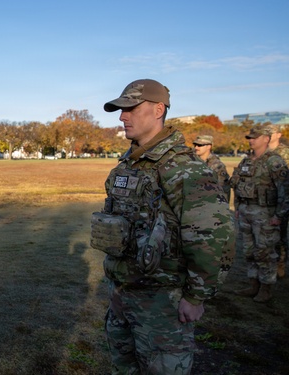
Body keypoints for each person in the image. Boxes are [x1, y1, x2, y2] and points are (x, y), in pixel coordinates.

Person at [90, 79, 234, 374]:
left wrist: (196, 296)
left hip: (161, 302)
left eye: (130, 108)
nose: (122, 116)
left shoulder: (184, 168)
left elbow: (213, 236)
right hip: (121, 294)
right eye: (121, 110)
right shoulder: (127, 165)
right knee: (123, 367)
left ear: (158, 110)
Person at [230, 126, 289, 302]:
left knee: (265, 252)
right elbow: (237, 185)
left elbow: (285, 191)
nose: (251, 140)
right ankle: (253, 284)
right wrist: (238, 207)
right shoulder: (246, 161)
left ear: (267, 138)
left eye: (255, 137)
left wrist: (279, 216)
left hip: (266, 214)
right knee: (249, 251)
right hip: (246, 212)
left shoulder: (274, 161)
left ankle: (266, 287)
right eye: (249, 137)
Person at [264, 124, 289, 278]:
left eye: (270, 133)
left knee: (281, 235)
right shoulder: (263, 153)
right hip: (268, 201)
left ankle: (281, 264)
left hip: (284, 200)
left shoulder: (285, 152)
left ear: (278, 134)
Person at [193, 135, 231, 201]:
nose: (196, 147)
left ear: (209, 146)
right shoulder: (193, 163)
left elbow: (224, 190)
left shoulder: (217, 166)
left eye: (199, 145)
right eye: (195, 145)